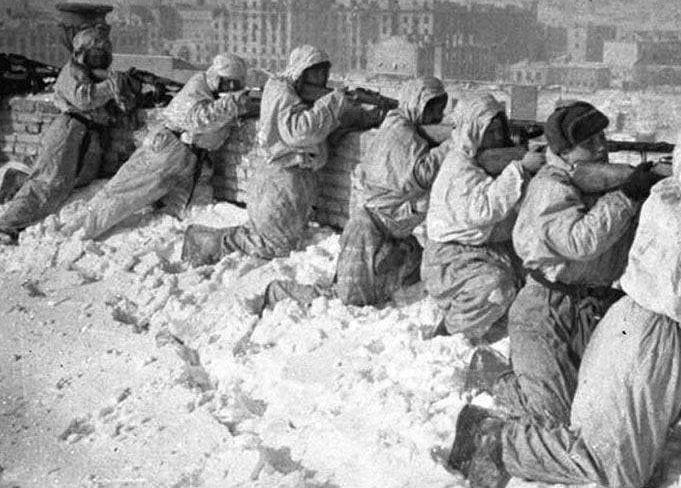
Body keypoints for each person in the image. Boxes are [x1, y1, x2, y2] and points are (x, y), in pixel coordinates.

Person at [446, 120, 681, 488]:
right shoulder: (671, 213)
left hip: (636, 328)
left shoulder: (676, 199)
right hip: (648, 339)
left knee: (611, 457)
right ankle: (496, 440)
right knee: (611, 468)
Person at [464, 101, 662, 426]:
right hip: (544, 310)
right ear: (565, 152)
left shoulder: (596, 182)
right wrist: (626, 196)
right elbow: (580, 241)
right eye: (589, 143)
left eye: (602, 138)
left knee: (594, 410)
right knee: (552, 416)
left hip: (586, 306)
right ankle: (492, 377)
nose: (601, 148)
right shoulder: (551, 186)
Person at [180, 44, 358, 266]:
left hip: (287, 182)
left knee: (268, 242)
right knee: (270, 246)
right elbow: (298, 132)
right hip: (279, 182)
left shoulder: (290, 93)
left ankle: (207, 242)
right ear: (302, 70)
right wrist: (332, 103)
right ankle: (201, 240)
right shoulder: (281, 91)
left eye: (325, 71)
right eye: (316, 71)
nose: (322, 77)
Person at [65, 53, 252, 240]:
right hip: (168, 149)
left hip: (194, 160)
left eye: (235, 86)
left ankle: (160, 242)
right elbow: (197, 120)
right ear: (217, 78)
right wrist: (232, 104)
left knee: (186, 211)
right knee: (124, 192)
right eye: (229, 84)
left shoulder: (214, 93)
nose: (230, 89)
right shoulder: (198, 85)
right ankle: (82, 229)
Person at [0, 28, 140, 245]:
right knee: (47, 185)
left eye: (102, 56)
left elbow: (117, 106)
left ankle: (20, 182)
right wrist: (111, 85)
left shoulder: (96, 76)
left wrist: (126, 91)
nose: (98, 60)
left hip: (90, 137)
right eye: (93, 55)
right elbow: (84, 99)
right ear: (81, 54)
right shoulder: (72, 72)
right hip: (70, 131)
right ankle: (5, 226)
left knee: (73, 185)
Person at [420, 93, 544, 343]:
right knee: (494, 286)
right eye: (490, 132)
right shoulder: (459, 166)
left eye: (500, 131)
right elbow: (485, 209)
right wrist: (519, 169)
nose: (498, 138)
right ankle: (451, 333)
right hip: (450, 259)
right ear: (473, 132)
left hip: (485, 249)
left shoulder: (475, 162)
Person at [334, 75, 449, 306]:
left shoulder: (403, 126)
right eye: (432, 110)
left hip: (393, 231)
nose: (438, 117)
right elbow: (421, 175)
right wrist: (450, 145)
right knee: (347, 299)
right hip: (367, 232)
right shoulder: (399, 131)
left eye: (440, 110)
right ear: (417, 104)